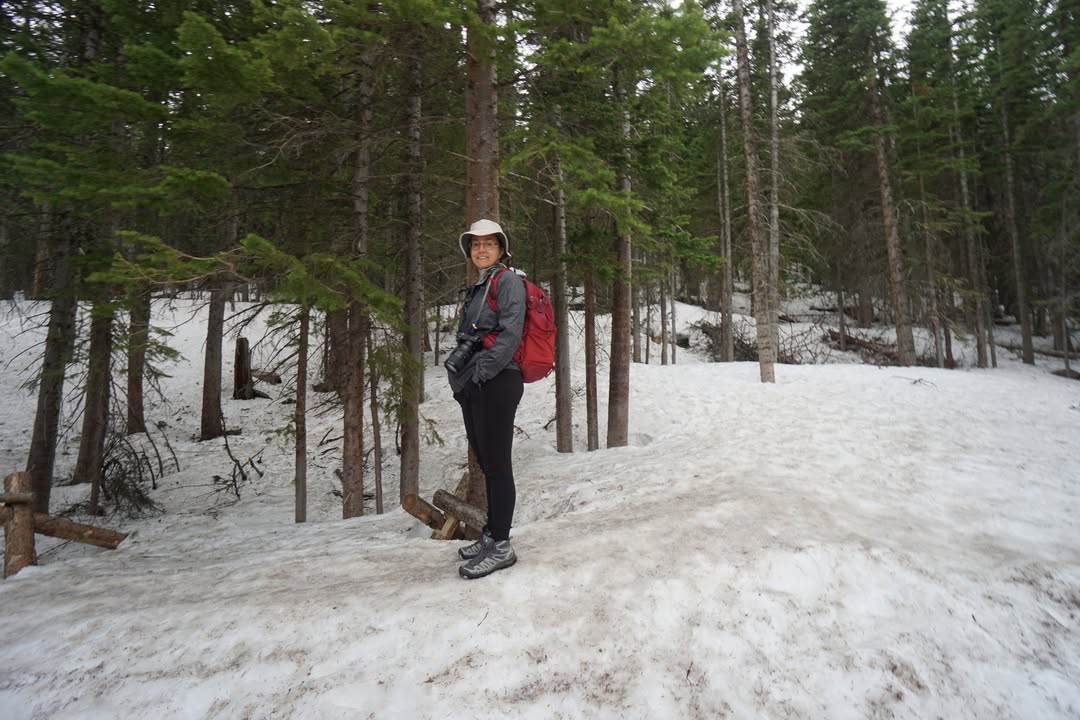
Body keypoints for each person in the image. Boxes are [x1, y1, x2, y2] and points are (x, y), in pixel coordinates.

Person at [447, 218, 526, 579]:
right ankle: (492, 535)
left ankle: (503, 546)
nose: (481, 249)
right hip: (476, 385)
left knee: (498, 465)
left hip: (497, 382)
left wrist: (480, 374)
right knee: (487, 462)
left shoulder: (507, 281)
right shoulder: (479, 286)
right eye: (476, 244)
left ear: (500, 249)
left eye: (489, 244)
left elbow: (511, 333)